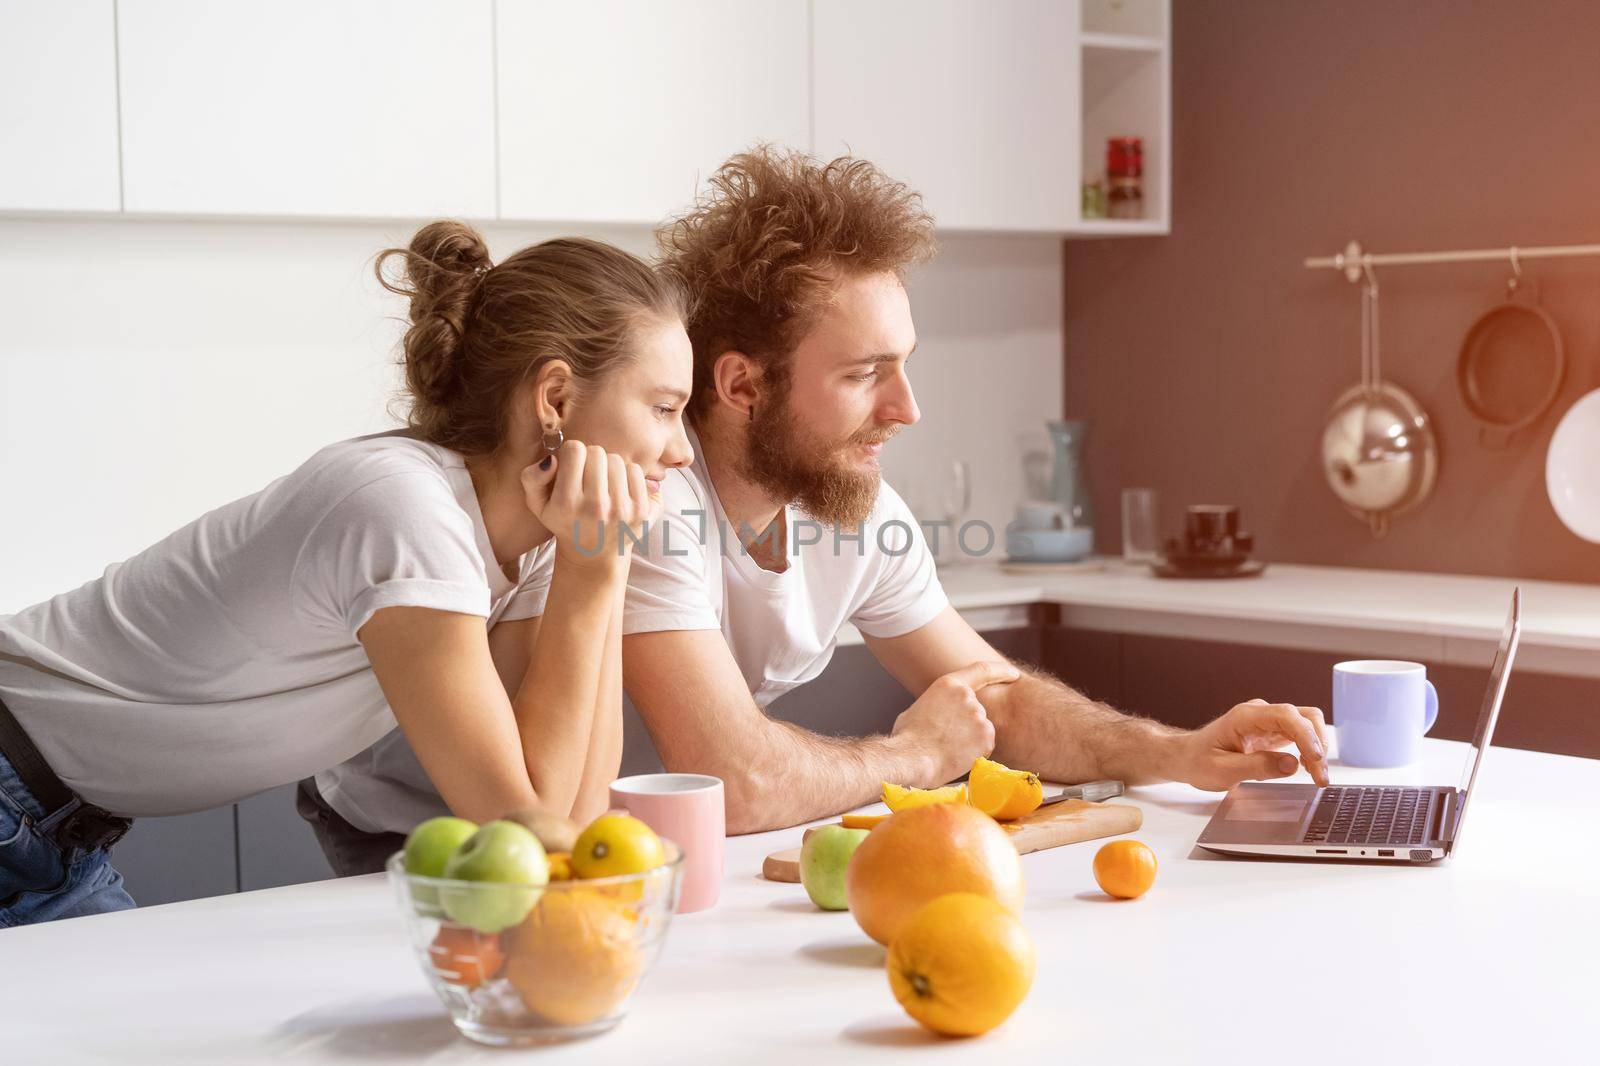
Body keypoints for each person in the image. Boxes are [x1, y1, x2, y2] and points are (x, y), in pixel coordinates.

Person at [305, 147, 1330, 853]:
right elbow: (736, 779)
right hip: (423, 822)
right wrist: (917, 752)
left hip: (591, 835)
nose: (908, 407)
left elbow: (992, 695)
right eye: (865, 373)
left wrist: (1178, 750)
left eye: (905, 365)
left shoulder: (854, 505)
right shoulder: (650, 498)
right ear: (741, 385)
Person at [0, 222, 692, 925]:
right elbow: (520, 824)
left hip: (58, 831)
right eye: (664, 409)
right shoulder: (403, 509)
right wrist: (592, 577)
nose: (681, 451)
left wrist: (602, 566)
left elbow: (569, 819)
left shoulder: (539, 546)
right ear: (556, 399)